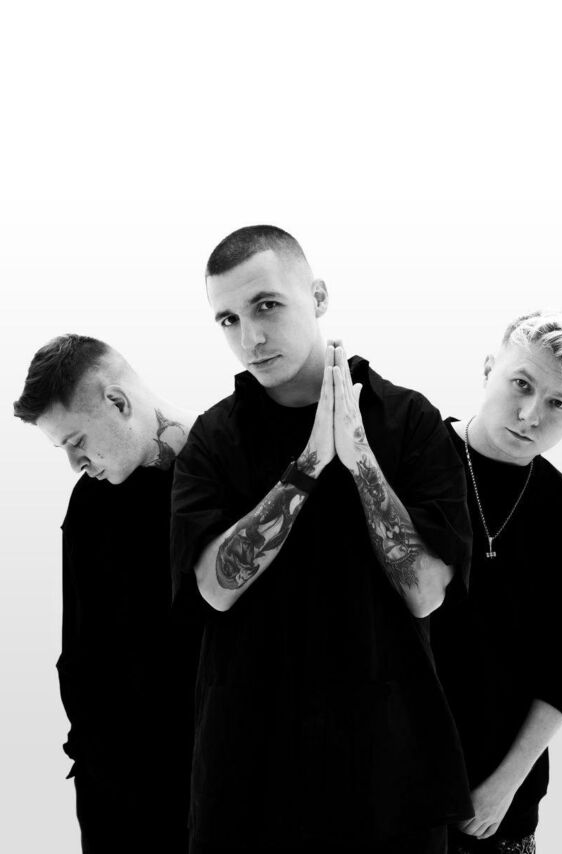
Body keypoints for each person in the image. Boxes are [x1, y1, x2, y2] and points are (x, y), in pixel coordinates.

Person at [171, 225, 474, 854]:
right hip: (251, 777)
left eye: (266, 306)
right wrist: (309, 464)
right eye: (228, 319)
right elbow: (215, 588)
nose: (250, 338)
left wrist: (358, 457)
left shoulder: (409, 420)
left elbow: (425, 593)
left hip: (389, 776)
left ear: (318, 297)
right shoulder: (214, 437)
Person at [14, 334, 203, 853]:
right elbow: (78, 651)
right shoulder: (90, 504)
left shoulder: (226, 464)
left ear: (117, 402)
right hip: (118, 796)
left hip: (221, 781)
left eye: (77, 442)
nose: (76, 463)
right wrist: (96, 760)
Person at [430, 311, 562, 854]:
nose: (531, 415)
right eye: (522, 384)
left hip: (490, 808)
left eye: (558, 404)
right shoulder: (414, 461)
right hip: (377, 787)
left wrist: (502, 789)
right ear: (489, 369)